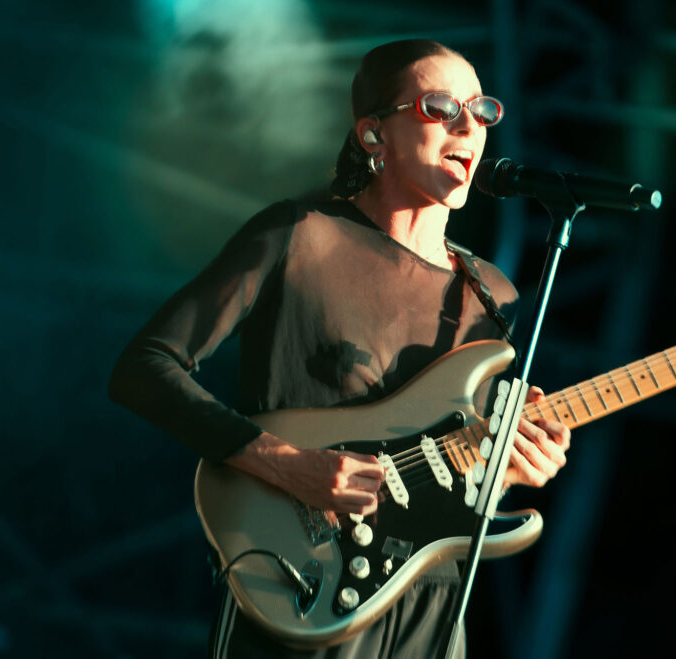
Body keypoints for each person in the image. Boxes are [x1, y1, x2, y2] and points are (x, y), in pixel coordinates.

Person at [109, 39, 571, 658]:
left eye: (482, 110)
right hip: (301, 582)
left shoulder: (493, 295)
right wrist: (283, 462)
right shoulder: (301, 235)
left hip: (431, 605)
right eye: (440, 106)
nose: (469, 126)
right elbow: (145, 368)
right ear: (373, 134)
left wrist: (510, 471)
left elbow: (446, 479)